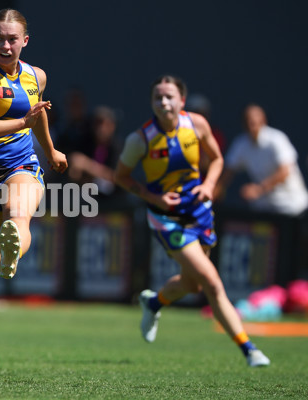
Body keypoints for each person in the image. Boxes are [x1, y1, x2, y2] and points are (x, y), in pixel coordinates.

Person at [113, 75, 270, 367]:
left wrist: (209, 185)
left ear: (181, 101)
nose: (163, 102)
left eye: (169, 96)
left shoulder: (196, 124)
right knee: (211, 282)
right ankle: (249, 350)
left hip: (199, 211)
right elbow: (119, 176)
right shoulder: (140, 139)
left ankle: (154, 302)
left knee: (193, 284)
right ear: (151, 103)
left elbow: (218, 159)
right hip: (166, 219)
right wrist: (153, 198)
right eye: (157, 97)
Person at [0, 8, 68, 377]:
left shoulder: (36, 75)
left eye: (12, 38)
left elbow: (38, 113)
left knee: (19, 213)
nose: (6, 44)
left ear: (24, 41)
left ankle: (14, 245)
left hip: (21, 165)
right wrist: (21, 122)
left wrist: (50, 150)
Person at [216, 103, 308, 216]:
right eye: (247, 120)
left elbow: (285, 171)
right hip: (264, 207)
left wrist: (259, 189)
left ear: (263, 120)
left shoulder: (277, 139)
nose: (251, 124)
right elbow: (228, 173)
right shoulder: (241, 144)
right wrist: (213, 193)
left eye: (254, 121)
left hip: (291, 206)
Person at [67, 105, 122, 197]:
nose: (101, 128)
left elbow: (116, 178)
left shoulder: (117, 146)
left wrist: (86, 164)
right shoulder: (85, 141)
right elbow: (74, 165)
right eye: (97, 123)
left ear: (113, 126)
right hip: (85, 189)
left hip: (112, 195)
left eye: (105, 124)